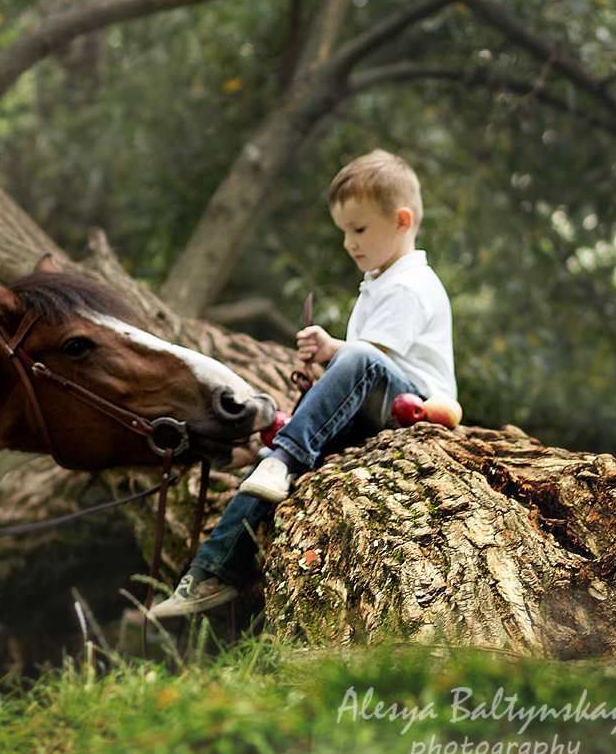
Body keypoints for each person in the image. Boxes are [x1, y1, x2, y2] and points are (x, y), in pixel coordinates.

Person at [149, 149, 456, 619]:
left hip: (415, 407)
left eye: (359, 230)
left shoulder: (410, 284)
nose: (349, 244)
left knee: (342, 374)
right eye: (343, 233)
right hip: (378, 407)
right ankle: (211, 572)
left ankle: (285, 455)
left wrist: (333, 351)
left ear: (402, 220)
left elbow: (373, 362)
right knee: (273, 467)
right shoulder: (379, 281)